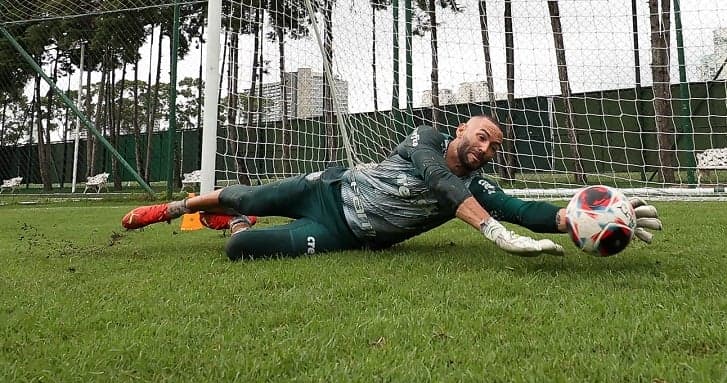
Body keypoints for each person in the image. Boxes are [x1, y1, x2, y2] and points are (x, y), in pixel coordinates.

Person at [122, 115, 662, 260]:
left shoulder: (477, 183)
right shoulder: (424, 140)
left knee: (241, 246)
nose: (486, 149)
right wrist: (491, 232)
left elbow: (523, 207)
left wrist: (576, 218)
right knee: (244, 195)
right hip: (327, 189)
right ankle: (173, 207)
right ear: (460, 131)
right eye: (481, 137)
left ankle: (238, 226)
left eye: (494, 147)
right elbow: (438, 182)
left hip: (345, 235)